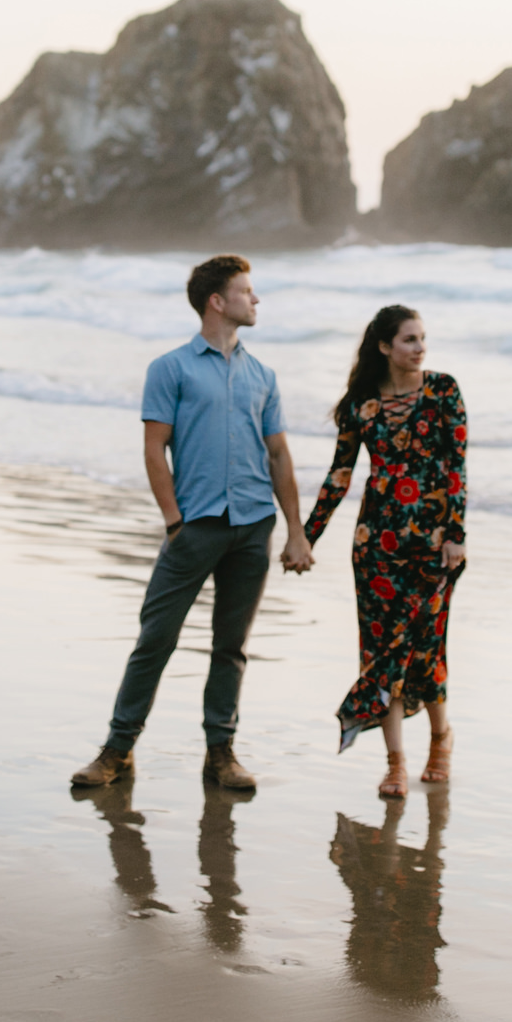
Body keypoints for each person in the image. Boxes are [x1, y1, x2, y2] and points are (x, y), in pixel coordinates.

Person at [69, 254, 314, 793]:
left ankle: (220, 753)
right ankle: (117, 749)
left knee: (231, 645)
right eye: (247, 292)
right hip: (195, 524)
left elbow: (279, 456)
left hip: (254, 524)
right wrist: (174, 521)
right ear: (216, 301)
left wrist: (296, 530)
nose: (256, 300)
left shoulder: (263, 375)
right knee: (156, 638)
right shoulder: (170, 368)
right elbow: (154, 449)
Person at [302, 304, 466, 799]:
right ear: (384, 347)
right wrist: (306, 536)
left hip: (434, 546)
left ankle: (441, 739)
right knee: (379, 655)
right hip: (375, 546)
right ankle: (395, 763)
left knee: (424, 648)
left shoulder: (443, 391)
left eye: (422, 339)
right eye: (409, 340)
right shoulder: (360, 404)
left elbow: (456, 466)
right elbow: (340, 474)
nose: (420, 349)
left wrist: (456, 534)